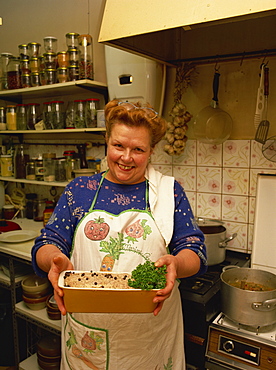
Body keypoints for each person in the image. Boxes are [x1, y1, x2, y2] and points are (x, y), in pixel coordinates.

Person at [32, 99, 207, 370]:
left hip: (151, 339)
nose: (126, 157)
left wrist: (177, 264)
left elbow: (193, 250)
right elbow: (47, 242)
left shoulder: (169, 193)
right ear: (107, 140)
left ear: (151, 151)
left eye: (138, 149)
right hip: (88, 338)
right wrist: (54, 260)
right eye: (118, 146)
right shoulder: (79, 190)